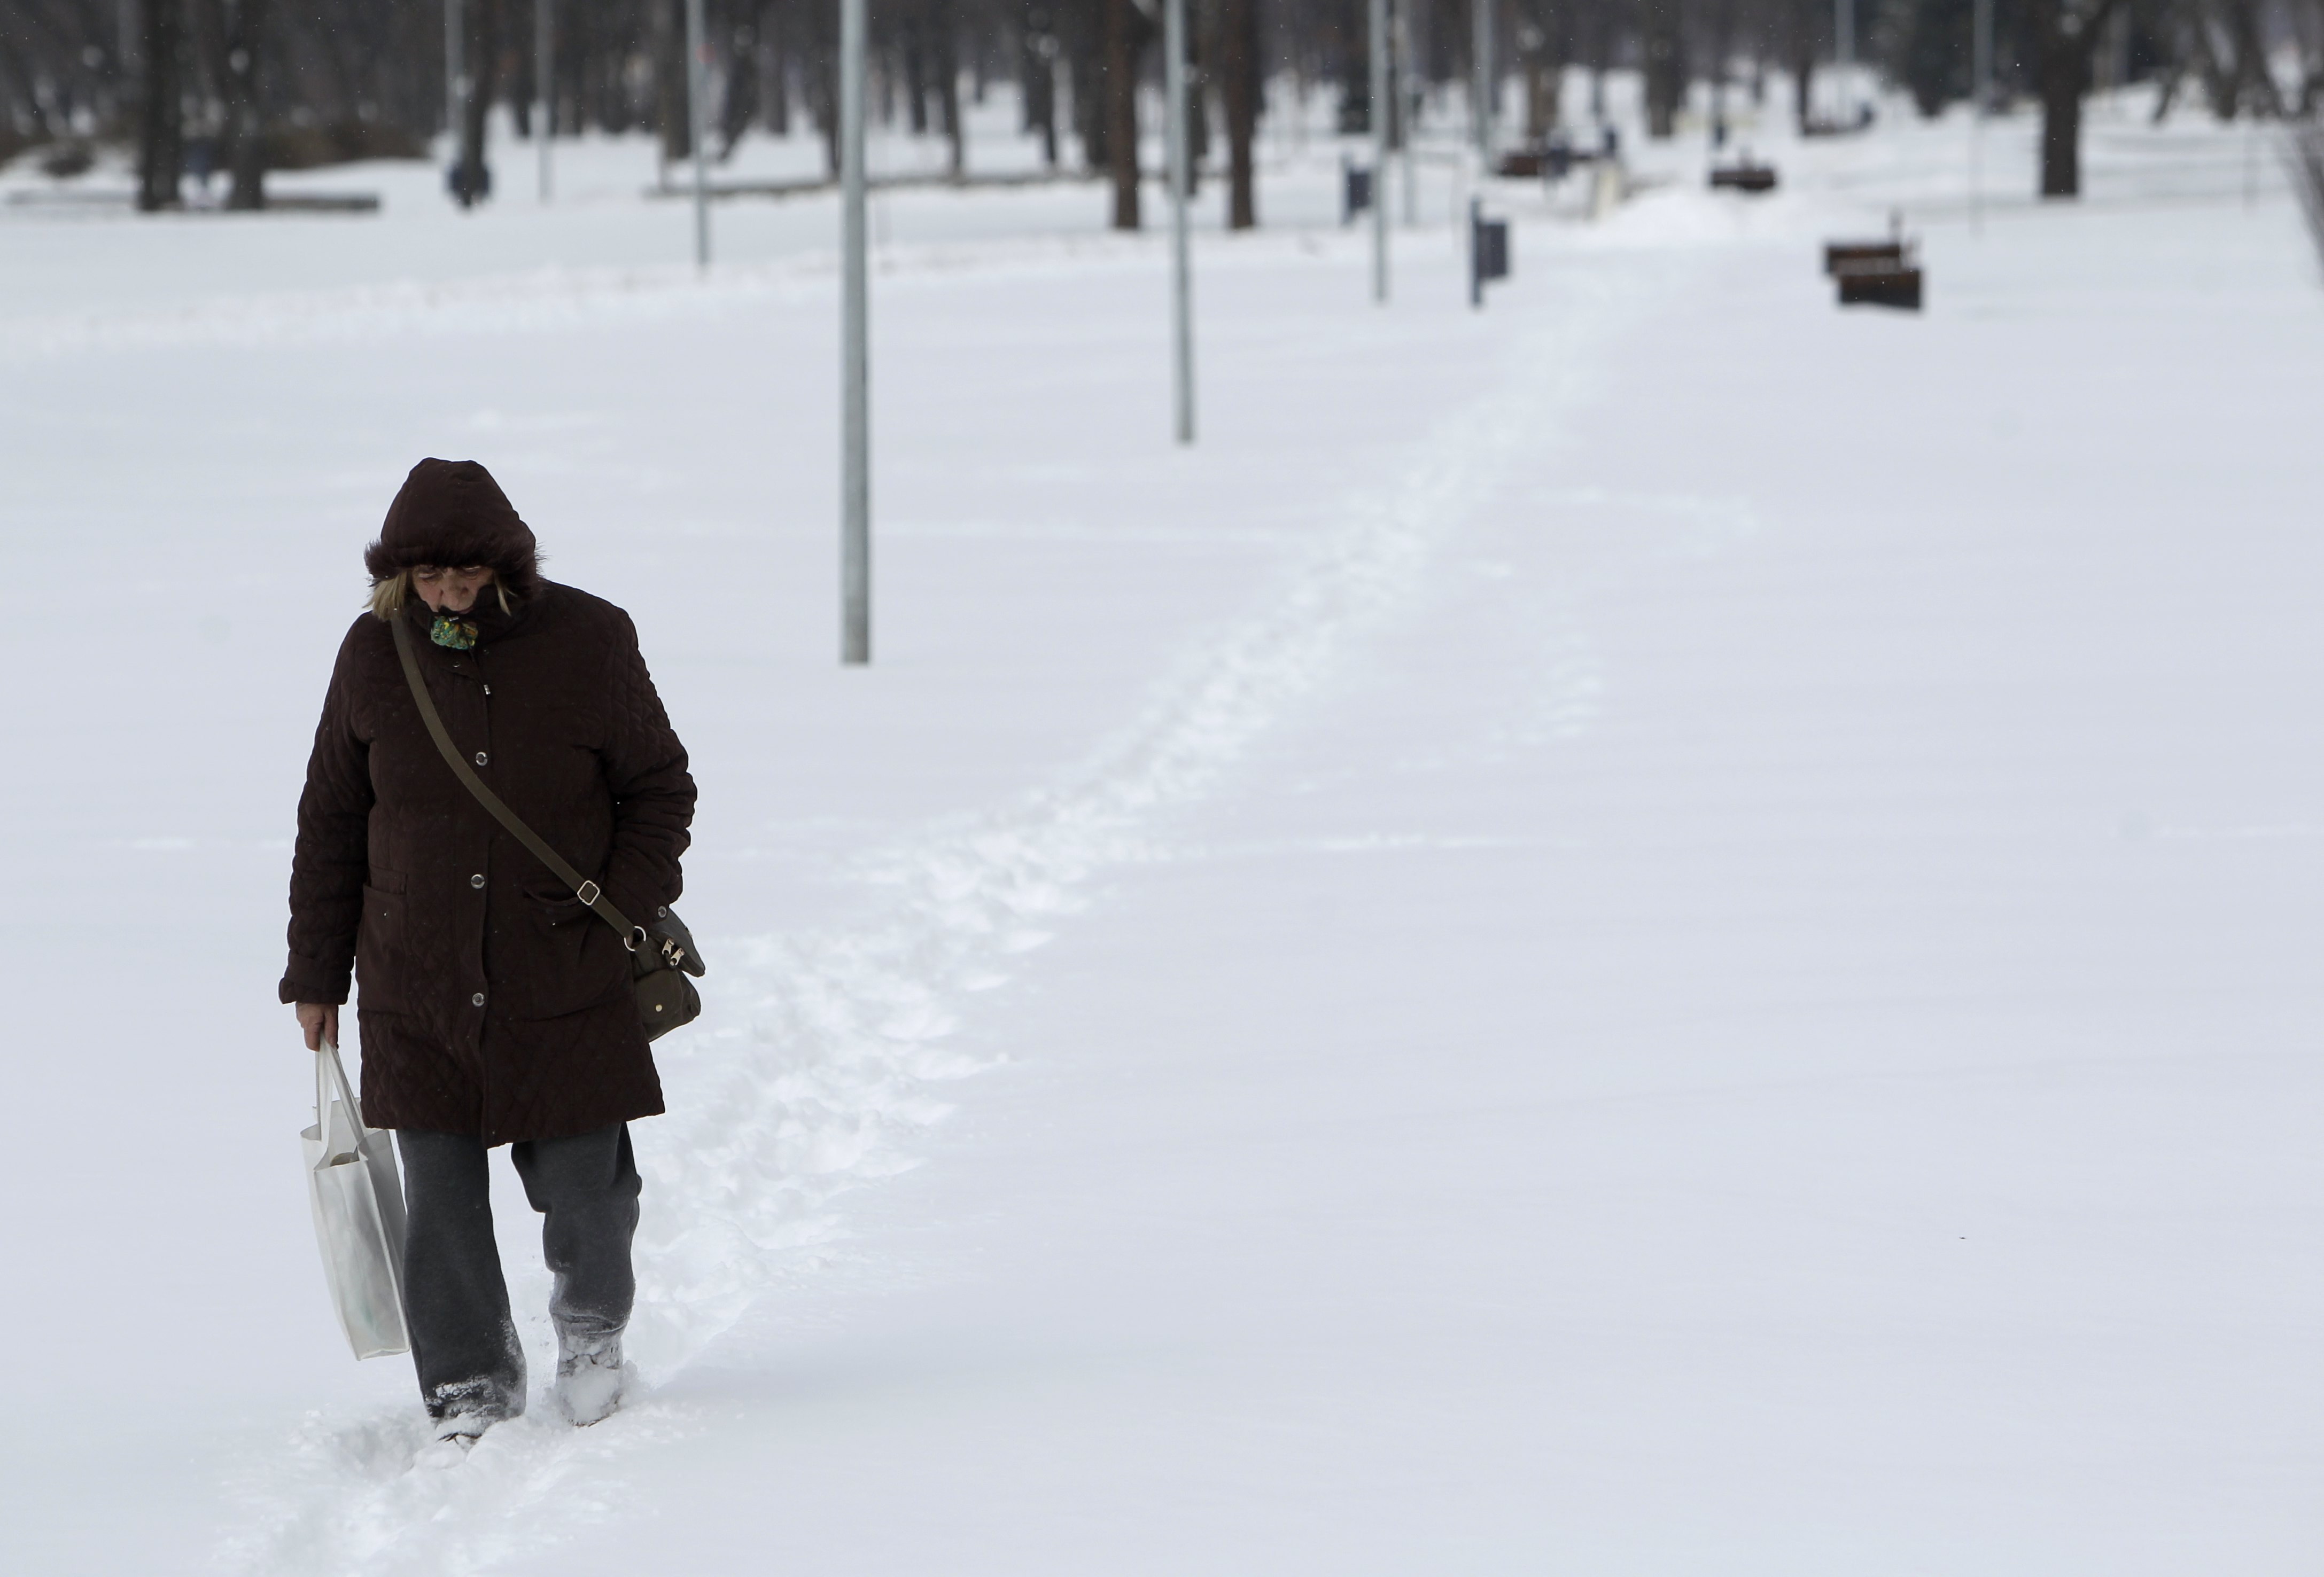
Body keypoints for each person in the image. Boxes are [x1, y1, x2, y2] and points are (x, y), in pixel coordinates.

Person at [281, 458, 695, 1458]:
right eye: (427, 579)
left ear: (505, 563)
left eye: (465, 575)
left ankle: (593, 1339)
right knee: (442, 1209)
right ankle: (467, 1383)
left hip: (564, 971)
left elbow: (660, 789)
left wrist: (617, 908)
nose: (447, 594)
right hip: (412, 977)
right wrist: (315, 971)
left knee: (591, 1192)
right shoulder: (371, 653)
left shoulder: (590, 637)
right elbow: (332, 817)